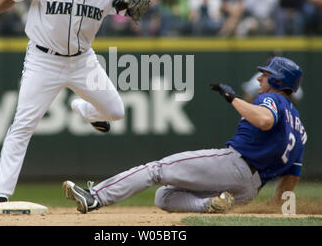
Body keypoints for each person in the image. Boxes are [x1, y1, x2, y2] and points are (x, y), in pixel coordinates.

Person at [0, 0, 148, 205]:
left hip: (83, 61)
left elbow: (128, 9)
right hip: (43, 61)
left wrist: (138, 7)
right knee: (23, 125)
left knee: (116, 112)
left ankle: (84, 109)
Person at [63, 57, 307, 214]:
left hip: (235, 164)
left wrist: (232, 99)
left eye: (265, 74)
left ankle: (95, 197)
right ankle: (212, 205)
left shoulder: (271, 98)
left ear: (277, 79)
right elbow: (291, 177)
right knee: (164, 196)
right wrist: (277, 208)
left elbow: (264, 120)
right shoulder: (300, 129)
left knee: (156, 170)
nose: (259, 77)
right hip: (249, 189)